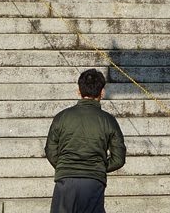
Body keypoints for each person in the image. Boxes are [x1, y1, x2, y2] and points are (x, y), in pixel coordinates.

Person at [45, 68, 127, 213]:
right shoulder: (109, 120)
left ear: (79, 91)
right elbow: (119, 158)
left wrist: (65, 164)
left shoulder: (62, 117)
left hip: (66, 179)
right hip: (94, 181)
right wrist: (98, 166)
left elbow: (50, 150)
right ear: (102, 92)